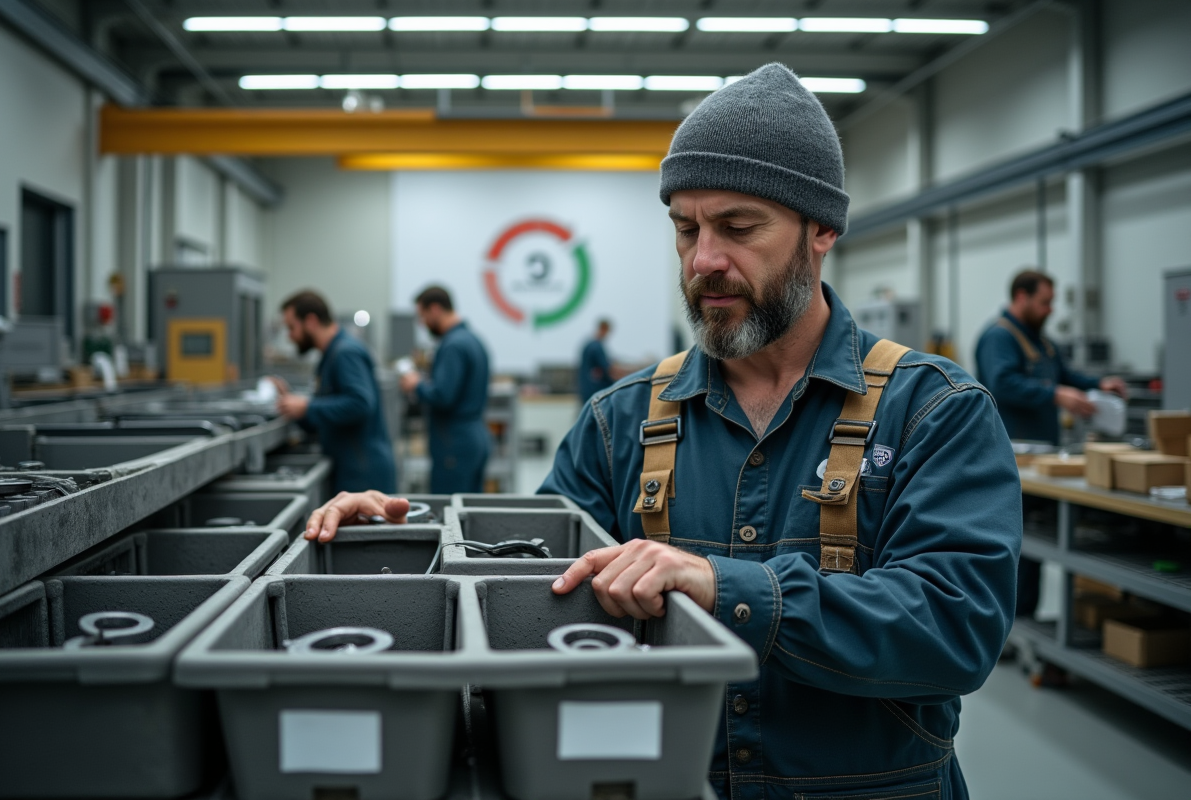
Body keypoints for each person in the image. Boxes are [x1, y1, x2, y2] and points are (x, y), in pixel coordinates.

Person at [303, 64, 1019, 800]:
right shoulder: (621, 422)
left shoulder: (933, 411)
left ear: (821, 230)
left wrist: (728, 588)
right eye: (686, 229)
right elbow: (535, 575)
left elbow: (954, 625)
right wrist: (403, 538)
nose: (704, 259)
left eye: (738, 227)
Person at [975, 270, 1127, 621]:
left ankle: (1026, 618)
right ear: (1021, 298)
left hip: (1043, 463)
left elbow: (1066, 374)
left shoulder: (1042, 342)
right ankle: (1008, 624)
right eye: (1045, 302)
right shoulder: (999, 338)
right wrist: (1055, 394)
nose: (1050, 310)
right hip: (1011, 461)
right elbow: (1003, 382)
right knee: (1015, 548)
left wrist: (1098, 384)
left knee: (1035, 547)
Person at [274, 291, 395, 494]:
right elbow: (326, 416)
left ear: (311, 321)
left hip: (362, 474)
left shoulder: (345, 353)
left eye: (292, 327)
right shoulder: (330, 356)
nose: (290, 336)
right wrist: (297, 409)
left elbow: (360, 404)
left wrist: (307, 406)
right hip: (352, 467)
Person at [398, 286, 491, 493]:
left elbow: (443, 395)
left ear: (435, 309)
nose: (423, 324)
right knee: (468, 511)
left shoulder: (453, 346)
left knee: (449, 510)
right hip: (473, 438)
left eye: (423, 317)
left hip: (454, 443)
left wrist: (416, 384)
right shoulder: (473, 340)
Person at [578, 318, 615, 402]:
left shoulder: (589, 345)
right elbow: (608, 369)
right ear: (604, 329)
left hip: (586, 389)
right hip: (594, 391)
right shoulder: (596, 347)